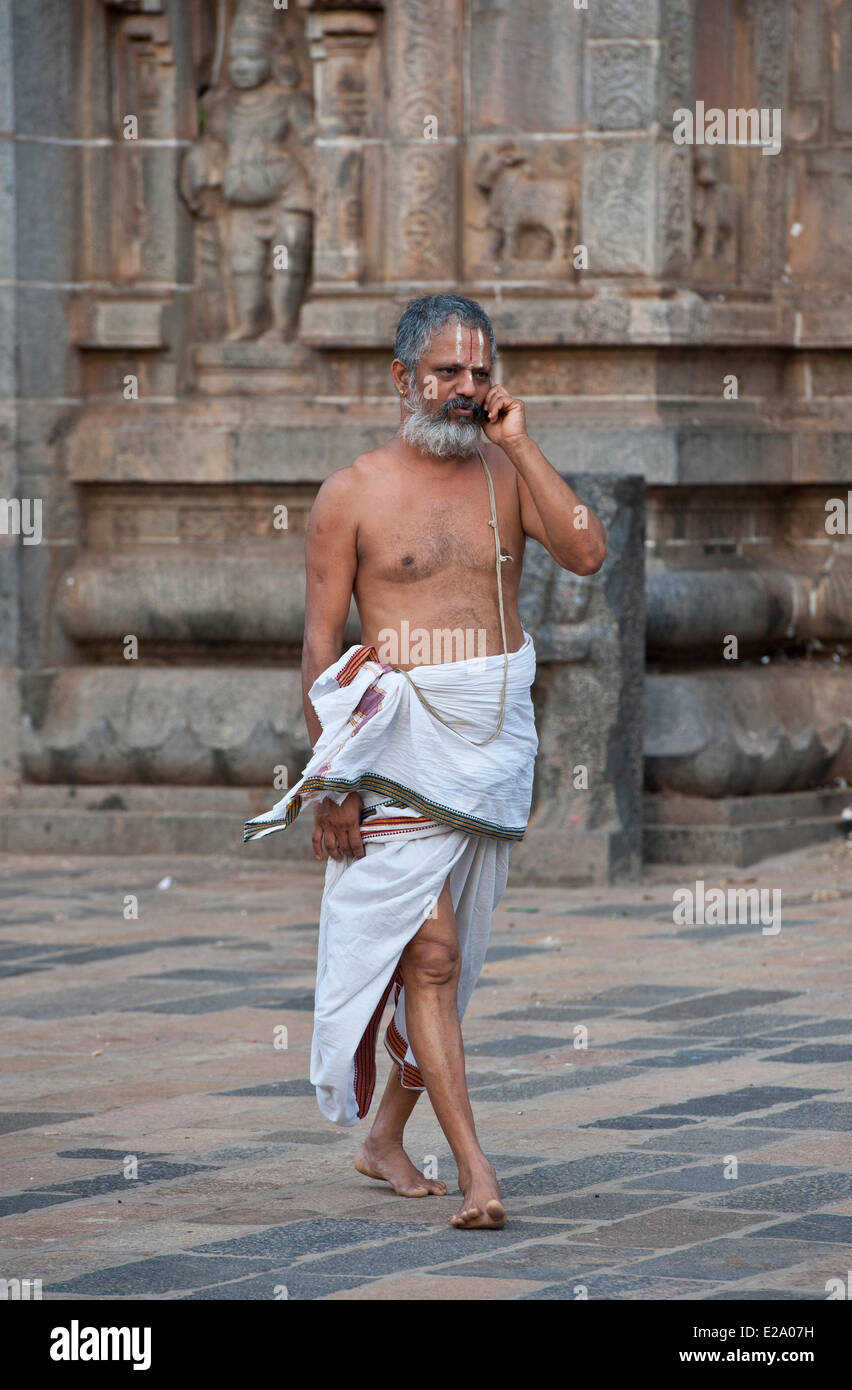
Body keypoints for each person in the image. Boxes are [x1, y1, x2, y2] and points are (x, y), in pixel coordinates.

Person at [245, 294, 606, 1228]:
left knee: (455, 965)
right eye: (447, 373)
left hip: (490, 748)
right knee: (434, 958)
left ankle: (380, 1139)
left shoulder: (506, 473)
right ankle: (480, 1172)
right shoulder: (351, 493)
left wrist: (521, 444)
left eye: (481, 373)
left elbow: (587, 552)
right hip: (393, 745)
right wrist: (331, 779)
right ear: (403, 378)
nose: (467, 389)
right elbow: (321, 648)